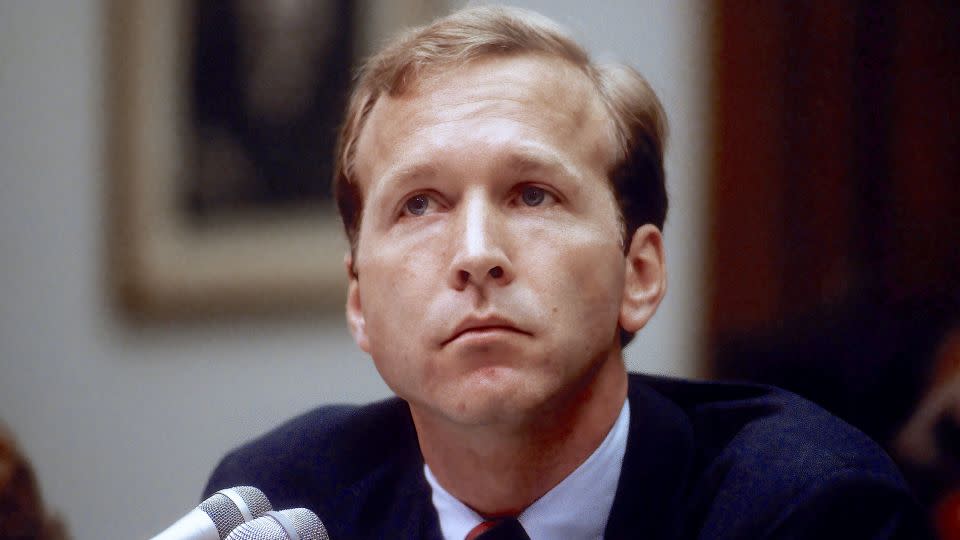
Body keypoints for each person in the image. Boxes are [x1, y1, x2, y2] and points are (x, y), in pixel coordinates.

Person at [204, 6, 929, 539]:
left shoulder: (806, 510)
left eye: (532, 194)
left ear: (638, 274)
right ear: (359, 301)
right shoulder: (287, 502)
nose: (476, 252)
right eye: (420, 204)